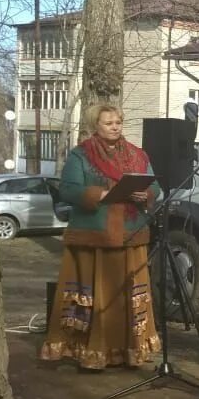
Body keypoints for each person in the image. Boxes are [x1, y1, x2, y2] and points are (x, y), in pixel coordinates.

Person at [40, 104, 161, 370]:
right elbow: (68, 189)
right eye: (109, 123)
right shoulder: (81, 154)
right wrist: (103, 195)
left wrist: (146, 194)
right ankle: (90, 351)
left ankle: (130, 351)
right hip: (94, 236)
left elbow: (156, 186)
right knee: (96, 293)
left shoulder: (138, 154)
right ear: (96, 125)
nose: (115, 127)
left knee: (127, 295)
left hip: (131, 235)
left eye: (118, 121)